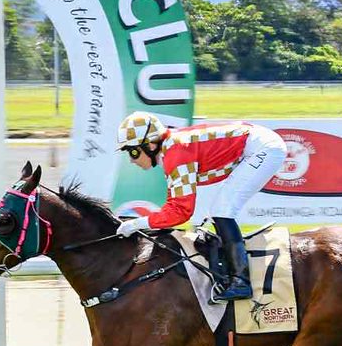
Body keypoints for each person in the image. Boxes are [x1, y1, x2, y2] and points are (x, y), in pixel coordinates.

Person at [114, 111, 287, 300]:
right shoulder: (171, 151)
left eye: (133, 151)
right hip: (257, 144)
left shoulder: (176, 153)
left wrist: (136, 224)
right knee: (218, 212)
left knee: (222, 211)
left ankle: (240, 281)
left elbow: (180, 212)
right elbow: (173, 206)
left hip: (264, 148)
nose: (131, 159)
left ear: (150, 145)